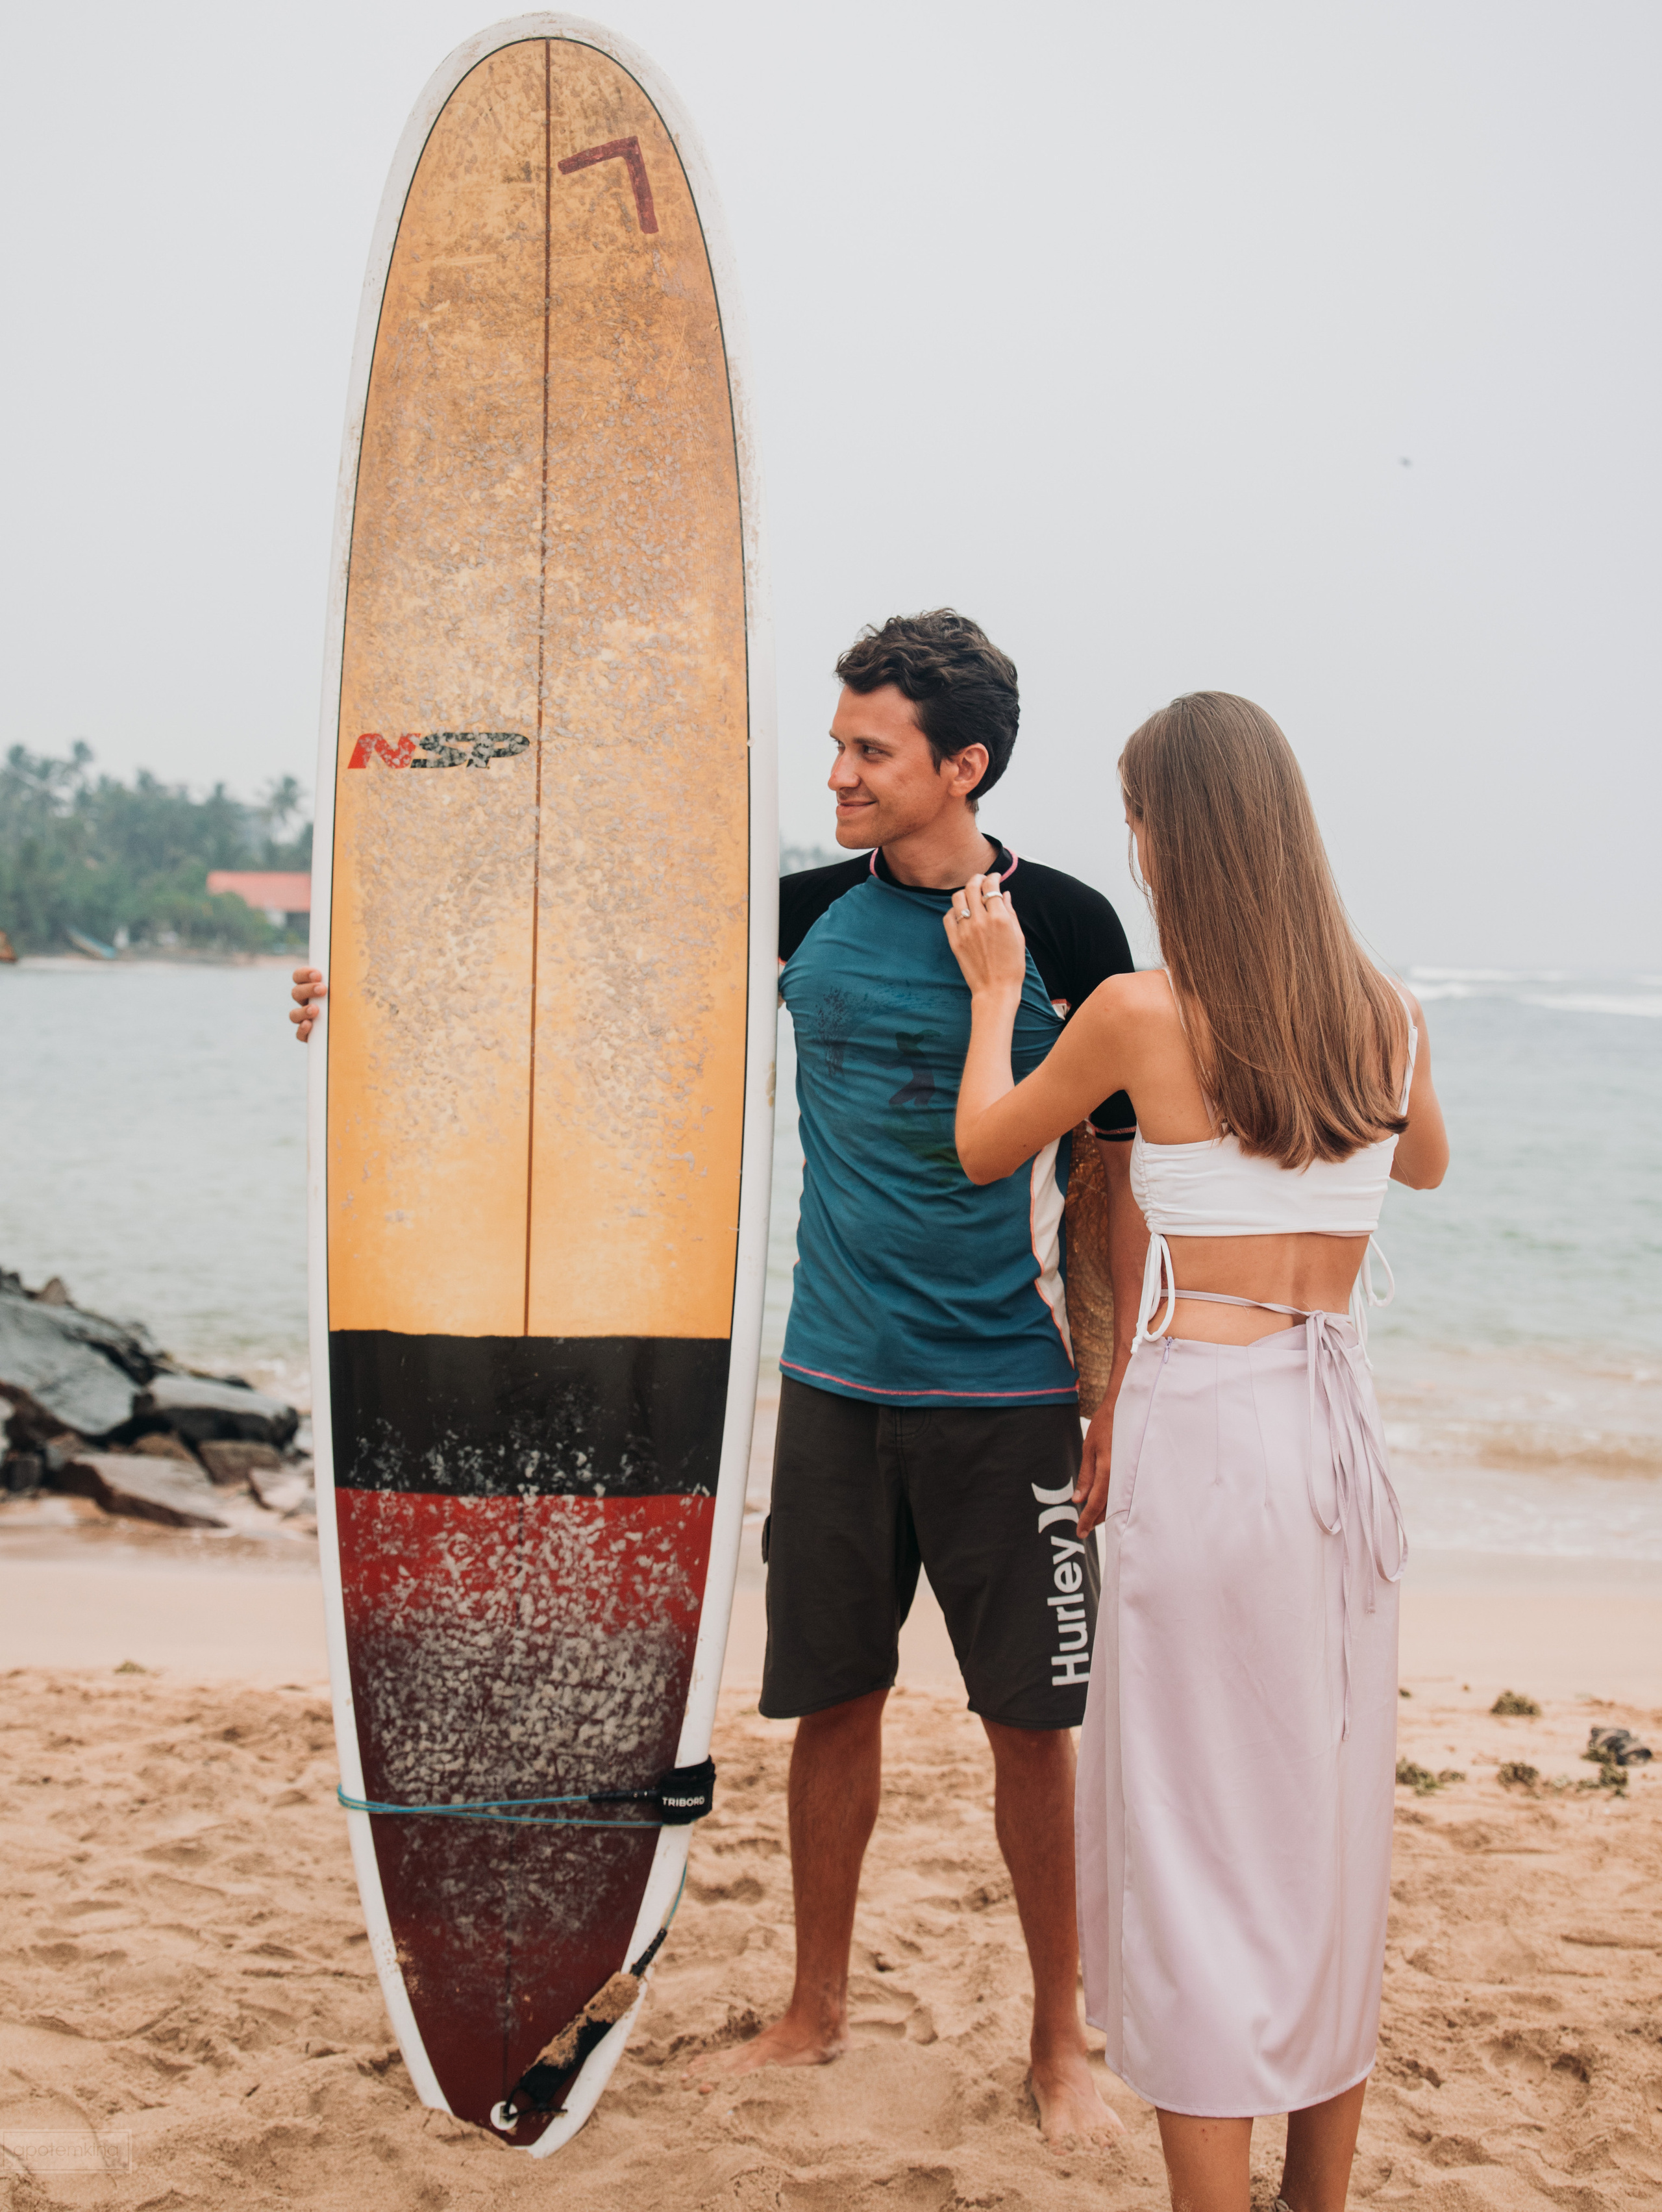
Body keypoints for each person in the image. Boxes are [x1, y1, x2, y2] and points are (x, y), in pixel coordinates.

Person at [290, 610, 1148, 2145]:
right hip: (831, 1383)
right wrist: (358, 1002)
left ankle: (1055, 2043)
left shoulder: (1071, 930)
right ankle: (815, 2011)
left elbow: (1104, 1188)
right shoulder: (801, 915)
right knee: (833, 1703)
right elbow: (573, 997)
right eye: (836, 743)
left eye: (867, 750)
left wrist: (1108, 1394)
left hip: (1005, 1396)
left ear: (961, 765)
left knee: (1031, 1727)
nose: (836, 775)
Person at [941, 691, 1449, 2212]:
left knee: (1191, 1836)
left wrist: (995, 992)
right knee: (1324, 1829)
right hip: (1333, 1443)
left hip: (1207, 1436)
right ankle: (1314, 2199)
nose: (1131, 845)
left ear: (1172, 836)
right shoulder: (1386, 1011)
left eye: (1136, 819)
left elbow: (982, 1146)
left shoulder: (1136, 1013)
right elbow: (1420, 1161)